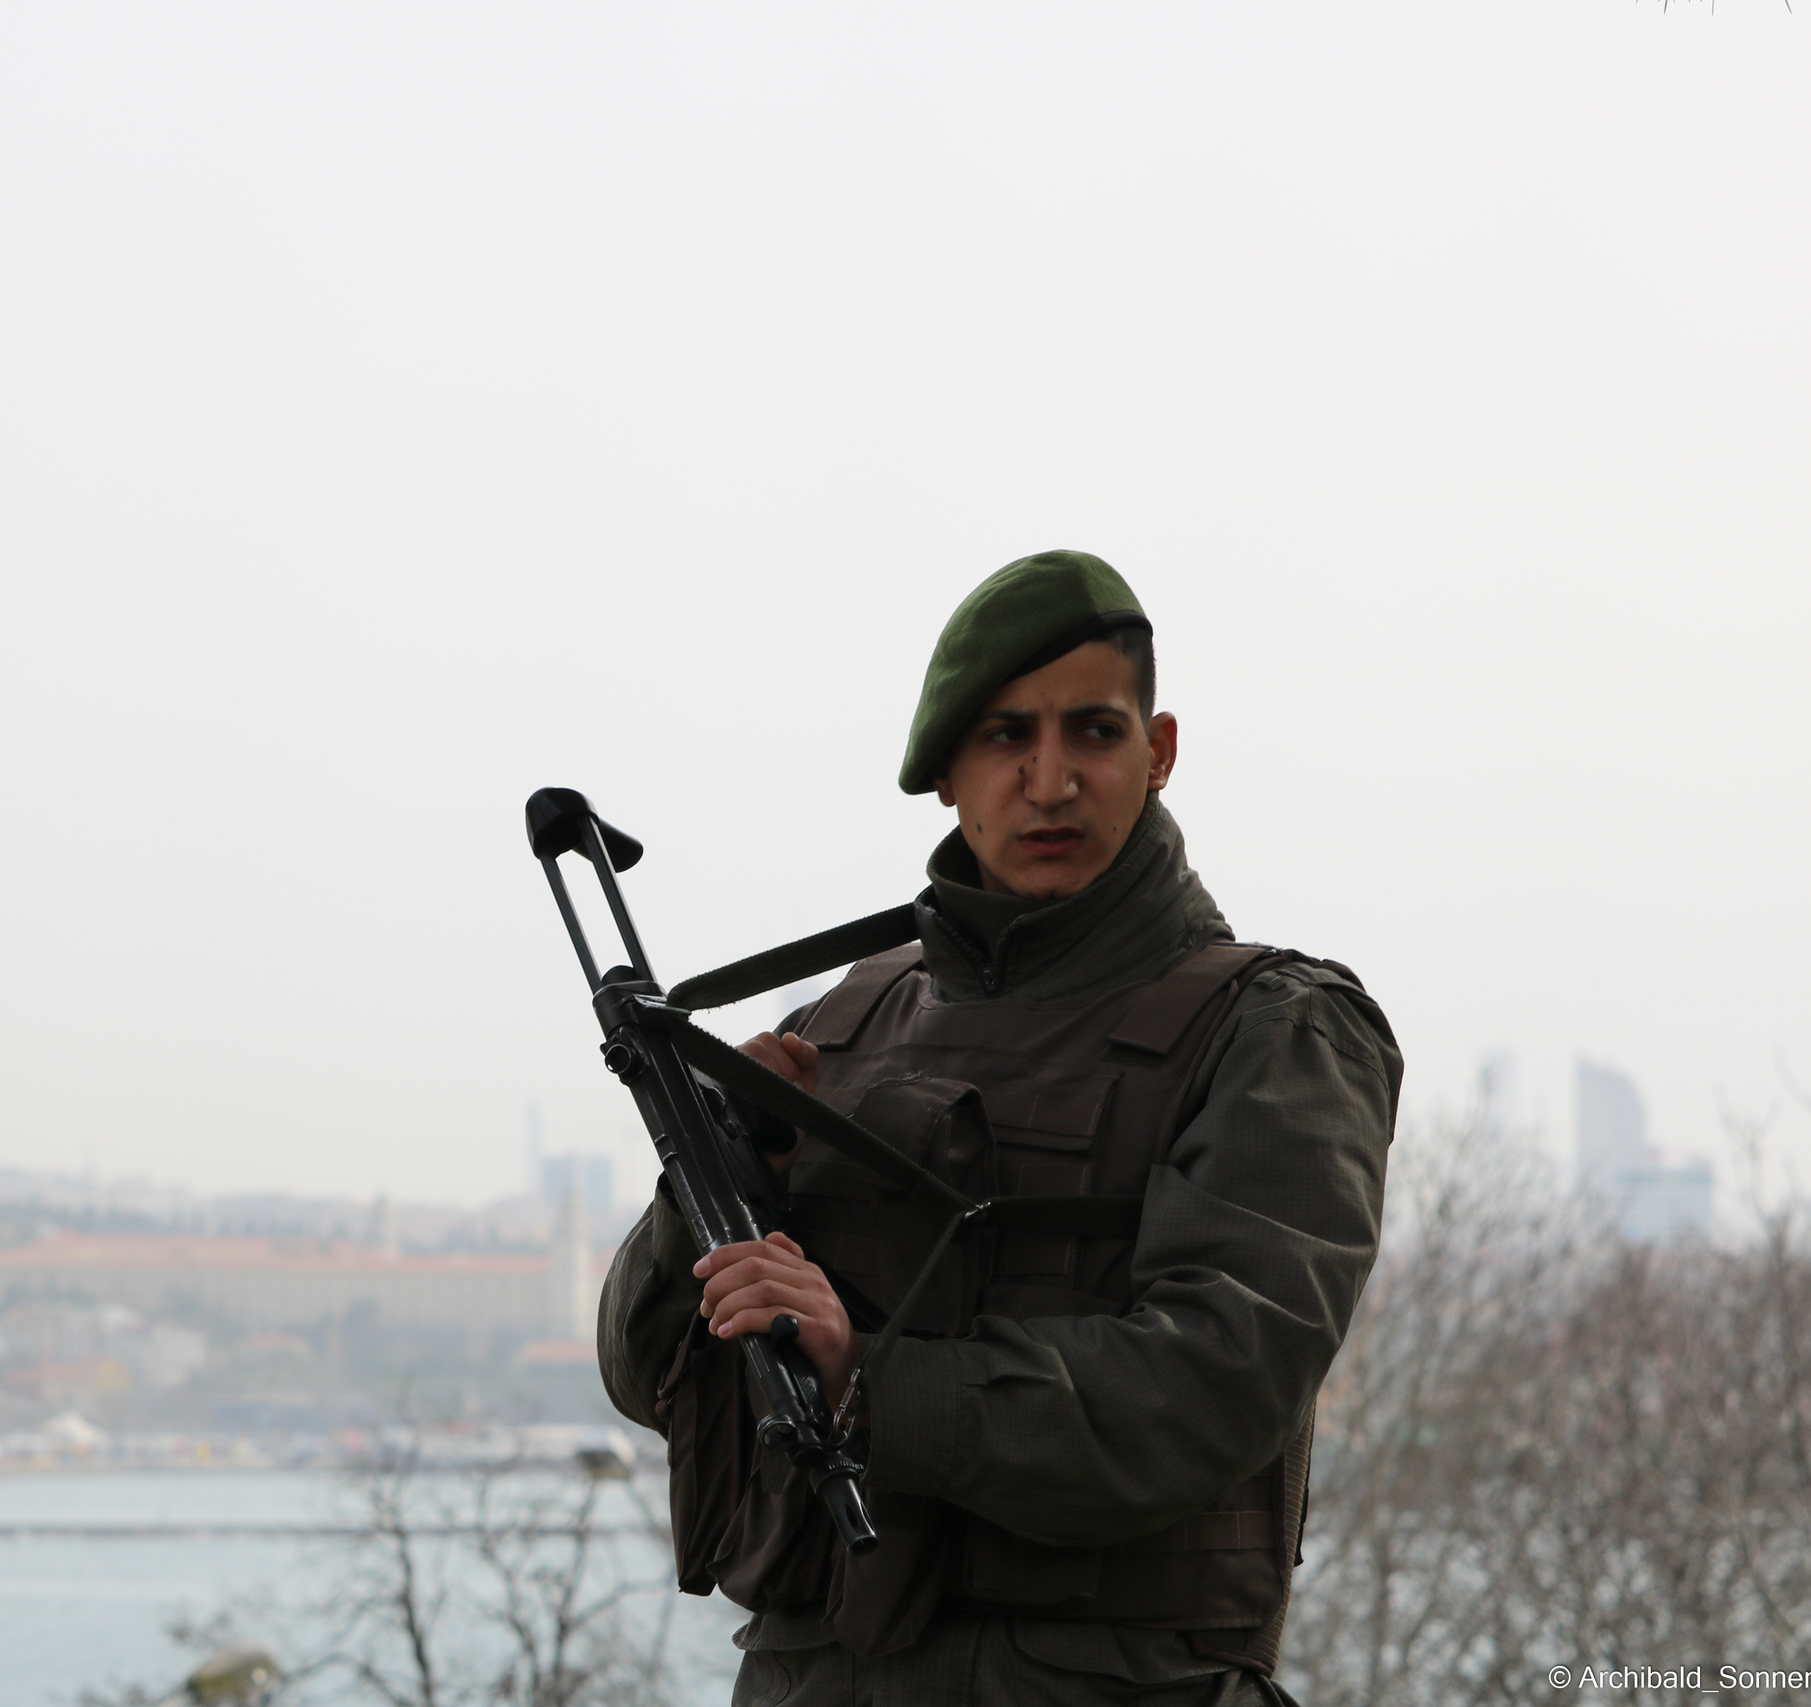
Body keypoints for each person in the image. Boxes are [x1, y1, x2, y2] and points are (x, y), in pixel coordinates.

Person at [597, 551, 1400, 1706]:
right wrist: (714, 1192)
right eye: (1005, 737)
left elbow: (1209, 1386)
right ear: (946, 776)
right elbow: (647, 1376)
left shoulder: (1275, 1033)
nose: (1049, 780)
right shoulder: (839, 1022)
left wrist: (866, 1379)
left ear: (1159, 751)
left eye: (1093, 733)